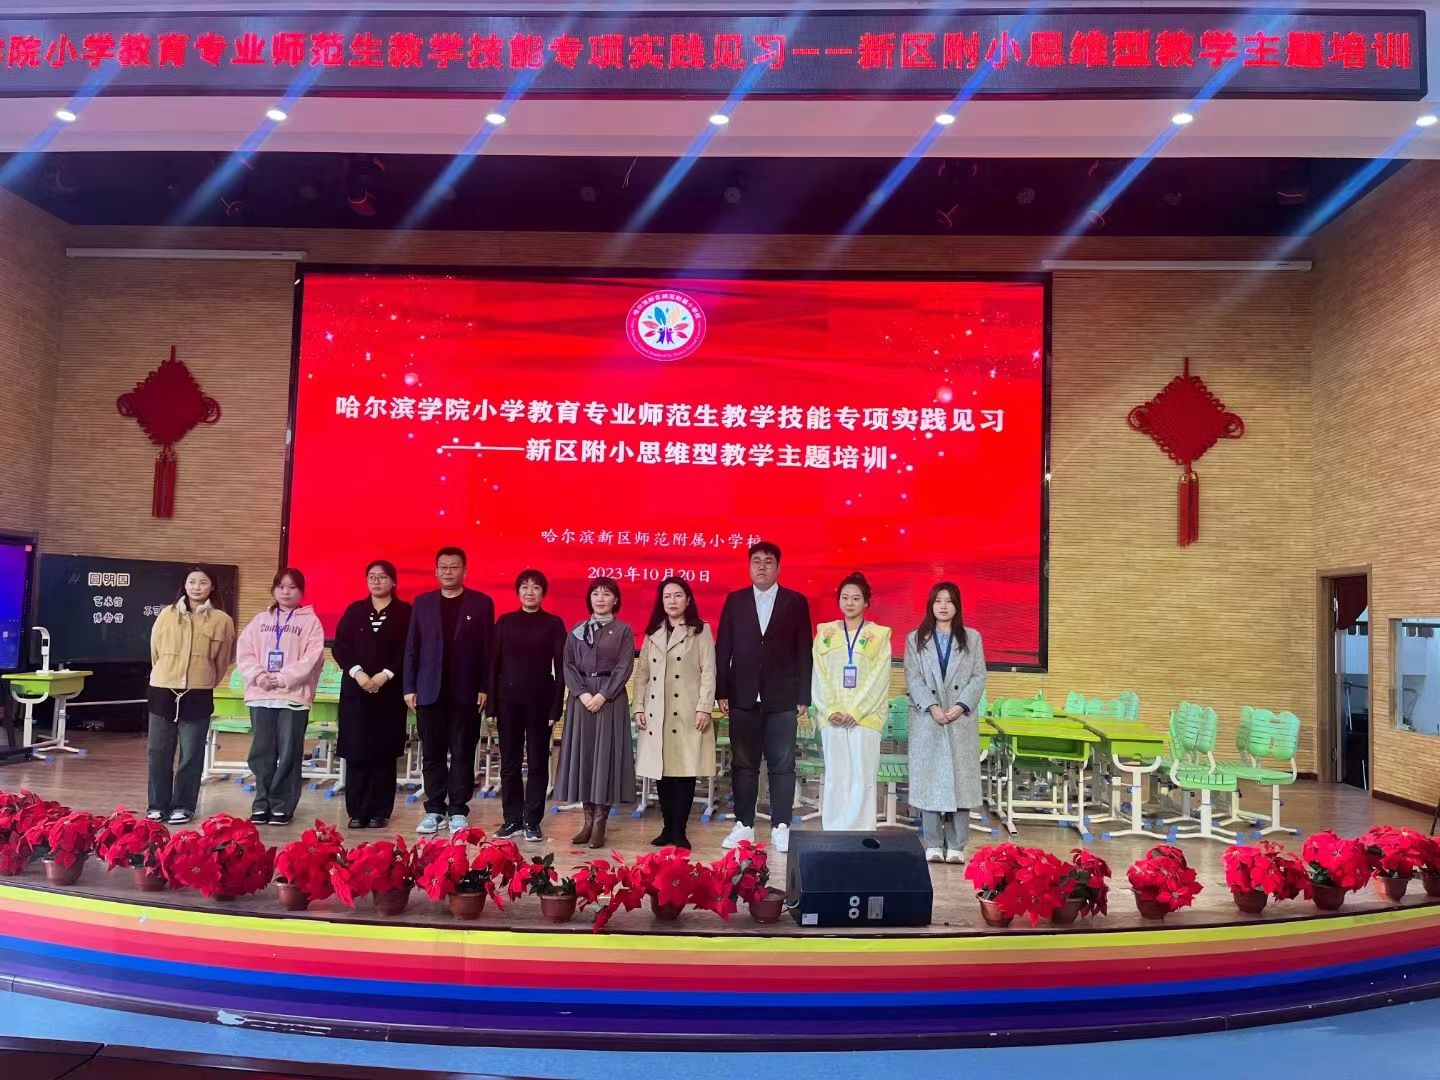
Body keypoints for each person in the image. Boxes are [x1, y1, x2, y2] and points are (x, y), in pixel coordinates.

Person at [715, 541, 813, 853]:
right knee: (744, 764)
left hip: (783, 697)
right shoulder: (736, 601)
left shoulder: (795, 602)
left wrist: (803, 695)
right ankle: (744, 825)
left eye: (768, 561)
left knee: (782, 765)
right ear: (749, 566)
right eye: (756, 561)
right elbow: (723, 648)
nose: (761, 566)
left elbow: (804, 650)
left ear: (778, 567)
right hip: (742, 695)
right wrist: (721, 690)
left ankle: (781, 826)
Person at [403, 546, 495, 836]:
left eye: (454, 567)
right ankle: (434, 809)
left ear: (465, 571)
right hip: (429, 691)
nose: (448, 572)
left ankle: (457, 810)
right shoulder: (423, 603)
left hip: (466, 693)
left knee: (463, 753)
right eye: (443, 567)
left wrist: (485, 686)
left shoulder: (481, 603)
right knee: (431, 754)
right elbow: (412, 647)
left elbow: (488, 651)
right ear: (436, 571)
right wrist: (409, 687)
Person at [903, 582, 987, 864]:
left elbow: (978, 676)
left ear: (957, 606)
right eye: (938, 600)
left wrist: (961, 706)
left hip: (959, 719)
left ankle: (957, 845)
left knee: (960, 782)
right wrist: (932, 706)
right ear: (931, 605)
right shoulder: (915, 638)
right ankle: (932, 843)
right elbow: (913, 677)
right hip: (928, 718)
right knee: (930, 780)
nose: (943, 606)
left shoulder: (972, 638)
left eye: (949, 601)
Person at [235, 568, 326, 827]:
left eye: (292, 587)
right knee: (261, 752)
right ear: (274, 589)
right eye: (281, 587)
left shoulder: (311, 622)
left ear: (302, 591)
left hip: (293, 696)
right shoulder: (260, 620)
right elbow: (244, 652)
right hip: (261, 695)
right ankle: (261, 803)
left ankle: (281, 805)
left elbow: (312, 658)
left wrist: (284, 678)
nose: (286, 592)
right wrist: (259, 676)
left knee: (289, 752)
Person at [146, 567, 236, 825]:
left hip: (198, 692)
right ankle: (157, 805)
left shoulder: (222, 620)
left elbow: (223, 660)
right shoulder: (166, 614)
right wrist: (167, 674)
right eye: (192, 582)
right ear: (184, 585)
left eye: (203, 582)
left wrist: (204, 679)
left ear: (212, 587)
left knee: (191, 754)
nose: (197, 587)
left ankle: (183, 806)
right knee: (158, 751)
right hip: (162, 689)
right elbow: (155, 651)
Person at [553, 577, 636, 850]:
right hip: (582, 699)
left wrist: (603, 695)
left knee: (606, 758)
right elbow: (567, 665)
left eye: (607, 594)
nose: (601, 598)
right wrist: (583, 693)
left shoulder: (624, 630)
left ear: (616, 599)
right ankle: (587, 821)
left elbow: (624, 667)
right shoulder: (577, 630)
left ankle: (601, 822)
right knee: (585, 758)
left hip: (609, 700)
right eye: (596, 594)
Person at [634, 577, 716, 851]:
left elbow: (708, 672)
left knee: (685, 771)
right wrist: (638, 707)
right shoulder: (653, 632)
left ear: (688, 599)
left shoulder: (700, 630)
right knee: (663, 772)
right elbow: (642, 674)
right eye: (667, 596)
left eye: (678, 595)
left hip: (688, 711)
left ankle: (680, 830)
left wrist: (704, 707)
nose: (672, 601)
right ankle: (667, 827)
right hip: (658, 712)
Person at [331, 560, 412, 830]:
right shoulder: (355, 610)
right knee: (357, 749)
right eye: (372, 577)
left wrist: (385, 675)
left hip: (389, 692)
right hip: (356, 690)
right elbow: (340, 646)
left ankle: (380, 811)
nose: (376, 581)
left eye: (382, 577)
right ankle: (357, 810)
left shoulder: (405, 612)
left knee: (383, 751)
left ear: (393, 581)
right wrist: (359, 674)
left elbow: (408, 648)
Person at [811, 572, 893, 832]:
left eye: (856, 598)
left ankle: (860, 831)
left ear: (866, 602)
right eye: (845, 597)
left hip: (865, 718)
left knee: (862, 775)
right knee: (836, 775)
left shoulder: (879, 635)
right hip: (832, 717)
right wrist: (830, 709)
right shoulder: (825, 633)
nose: (850, 603)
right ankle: (834, 830)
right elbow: (819, 674)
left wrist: (856, 711)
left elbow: (879, 678)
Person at [490, 569, 567, 844]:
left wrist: (555, 708)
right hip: (508, 702)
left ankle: (532, 821)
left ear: (543, 593)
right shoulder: (505, 622)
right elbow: (494, 665)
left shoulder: (553, 624)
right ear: (518, 592)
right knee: (509, 763)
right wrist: (491, 706)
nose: (529, 592)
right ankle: (512, 819)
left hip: (540, 703)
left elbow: (561, 669)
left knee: (537, 763)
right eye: (524, 587)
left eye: (535, 587)